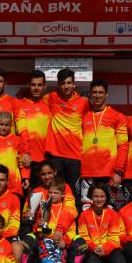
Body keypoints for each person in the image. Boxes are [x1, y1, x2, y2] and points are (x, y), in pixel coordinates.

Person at [14, 161, 78, 263]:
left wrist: (60, 230)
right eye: (43, 174)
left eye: (49, 173)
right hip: (40, 231)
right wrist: (29, 215)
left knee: (79, 245)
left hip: (63, 230)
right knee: (26, 244)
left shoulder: (64, 187)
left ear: (55, 172)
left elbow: (71, 210)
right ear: (39, 175)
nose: (47, 176)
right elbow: (26, 214)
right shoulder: (35, 191)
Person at [79, 182, 132, 263]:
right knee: (91, 259)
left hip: (111, 248)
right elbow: (84, 237)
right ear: (91, 197)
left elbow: (115, 237)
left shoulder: (113, 214)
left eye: (102, 196)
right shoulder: (84, 215)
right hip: (93, 249)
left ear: (106, 197)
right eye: (96, 196)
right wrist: (94, 248)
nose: (99, 199)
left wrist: (105, 249)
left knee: (118, 256)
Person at [35, 177, 85, 263]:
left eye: (56, 193)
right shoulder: (44, 207)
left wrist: (65, 241)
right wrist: (40, 226)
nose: (52, 195)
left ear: (63, 194)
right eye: (50, 192)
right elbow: (38, 230)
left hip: (60, 243)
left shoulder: (67, 210)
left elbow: (72, 229)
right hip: (46, 242)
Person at [80, 79, 129, 210]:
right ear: (90, 94)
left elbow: (123, 146)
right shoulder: (84, 116)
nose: (97, 95)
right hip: (87, 173)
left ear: (106, 94)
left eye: (101, 92)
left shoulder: (117, 116)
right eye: (94, 92)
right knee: (87, 210)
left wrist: (118, 172)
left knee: (110, 210)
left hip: (109, 173)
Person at [44, 68, 89, 199]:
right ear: (58, 85)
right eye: (63, 83)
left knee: (74, 195)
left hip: (75, 155)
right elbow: (35, 101)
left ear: (74, 84)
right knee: (56, 193)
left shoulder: (83, 102)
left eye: (69, 83)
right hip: (55, 155)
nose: (66, 86)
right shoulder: (51, 98)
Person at [15, 70, 51, 187]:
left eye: (39, 85)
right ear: (28, 85)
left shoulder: (50, 105)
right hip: (24, 159)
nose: (36, 88)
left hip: (44, 160)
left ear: (44, 86)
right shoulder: (19, 104)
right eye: (33, 85)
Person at [0, 111, 29, 197]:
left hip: (13, 182)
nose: (4, 128)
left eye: (7, 125)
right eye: (1, 124)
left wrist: (25, 177)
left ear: (11, 125)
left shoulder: (17, 140)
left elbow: (22, 161)